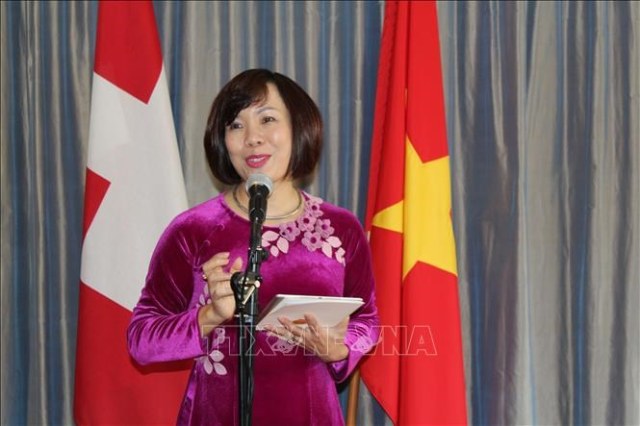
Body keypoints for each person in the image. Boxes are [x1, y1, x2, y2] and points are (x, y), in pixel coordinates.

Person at [127, 68, 379, 425]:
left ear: (299, 127)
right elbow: (142, 339)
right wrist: (209, 315)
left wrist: (339, 349)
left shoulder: (341, 228)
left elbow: (366, 320)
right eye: (236, 125)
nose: (252, 138)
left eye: (267, 119)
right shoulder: (193, 230)